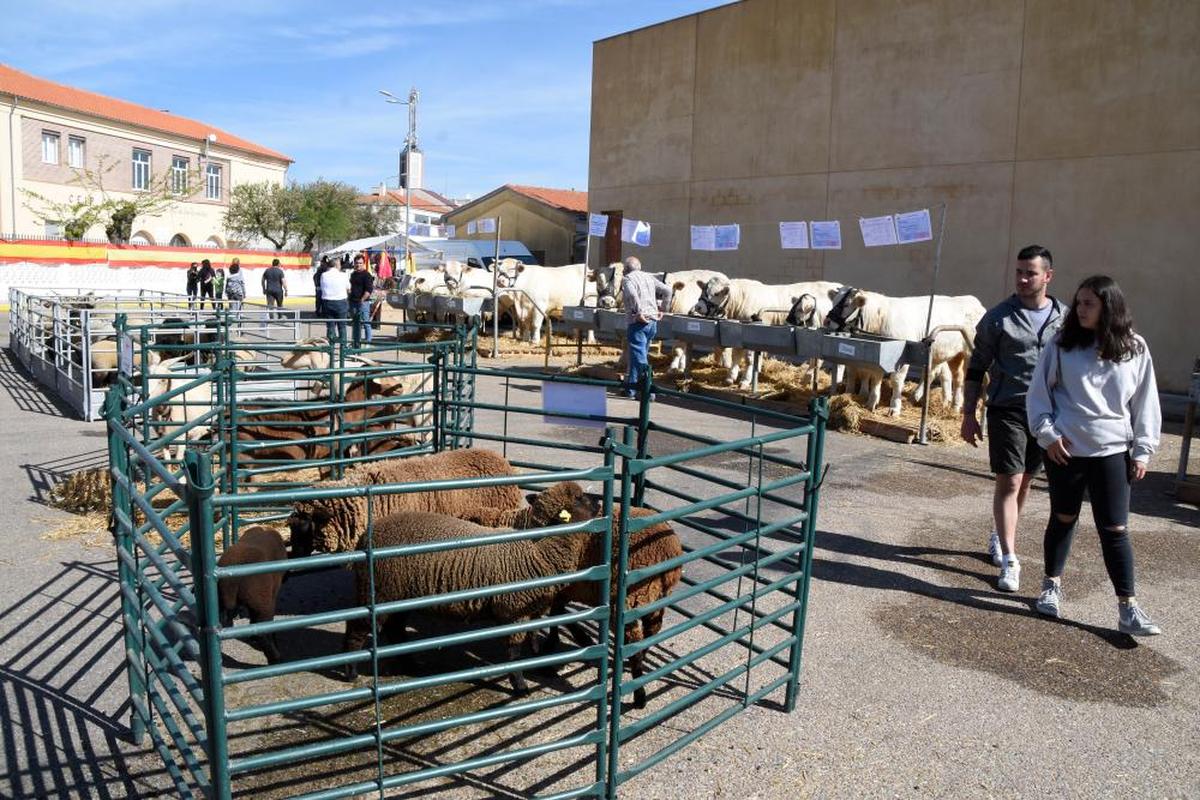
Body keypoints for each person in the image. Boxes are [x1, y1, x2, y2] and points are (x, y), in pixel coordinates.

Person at [1026, 275, 1162, 635]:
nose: (1081, 309)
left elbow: (1146, 401)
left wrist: (1143, 450)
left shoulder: (1134, 347)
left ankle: (1128, 608)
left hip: (1113, 451)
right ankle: (1051, 585)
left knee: (1115, 528)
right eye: (1080, 302)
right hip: (1066, 451)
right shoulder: (1061, 345)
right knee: (1064, 516)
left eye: (1089, 304)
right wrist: (1048, 435)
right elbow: (1038, 396)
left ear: (1108, 307)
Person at [961, 245, 1064, 593]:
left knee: (1025, 482)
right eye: (1018, 272)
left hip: (1048, 414)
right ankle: (1010, 558)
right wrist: (968, 413)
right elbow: (976, 368)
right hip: (1007, 409)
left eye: (1030, 273)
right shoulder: (997, 318)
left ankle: (1000, 534)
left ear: (1047, 276)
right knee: (1009, 480)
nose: (1022, 278)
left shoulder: (1064, 318)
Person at [619, 255, 671, 399]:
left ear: (626, 269)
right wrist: (663, 309)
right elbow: (668, 290)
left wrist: (638, 312)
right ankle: (631, 390)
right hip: (653, 321)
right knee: (637, 356)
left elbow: (631, 294)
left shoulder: (627, 279)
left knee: (640, 359)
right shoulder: (649, 277)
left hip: (638, 323)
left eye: (623, 268)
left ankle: (649, 393)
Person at [319, 260, 351, 342]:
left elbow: (322, 288)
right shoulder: (343, 275)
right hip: (341, 302)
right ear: (337, 265)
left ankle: (330, 348)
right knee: (342, 326)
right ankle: (343, 347)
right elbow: (348, 288)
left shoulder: (323, 275)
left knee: (330, 326)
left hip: (327, 302)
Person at [349, 255, 375, 347]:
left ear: (363, 264)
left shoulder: (367, 275)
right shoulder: (353, 274)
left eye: (360, 263)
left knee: (365, 322)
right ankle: (355, 341)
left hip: (363, 302)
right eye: (356, 263)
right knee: (355, 323)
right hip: (353, 302)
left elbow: (369, 290)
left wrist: (362, 300)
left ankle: (368, 342)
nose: (358, 265)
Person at [262, 258, 287, 323]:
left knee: (270, 305)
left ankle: (271, 318)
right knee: (280, 304)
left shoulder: (267, 271)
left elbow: (262, 280)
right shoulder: (280, 271)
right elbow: (283, 281)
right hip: (278, 291)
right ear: (278, 264)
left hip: (269, 290)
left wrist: (264, 289)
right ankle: (280, 317)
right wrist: (286, 290)